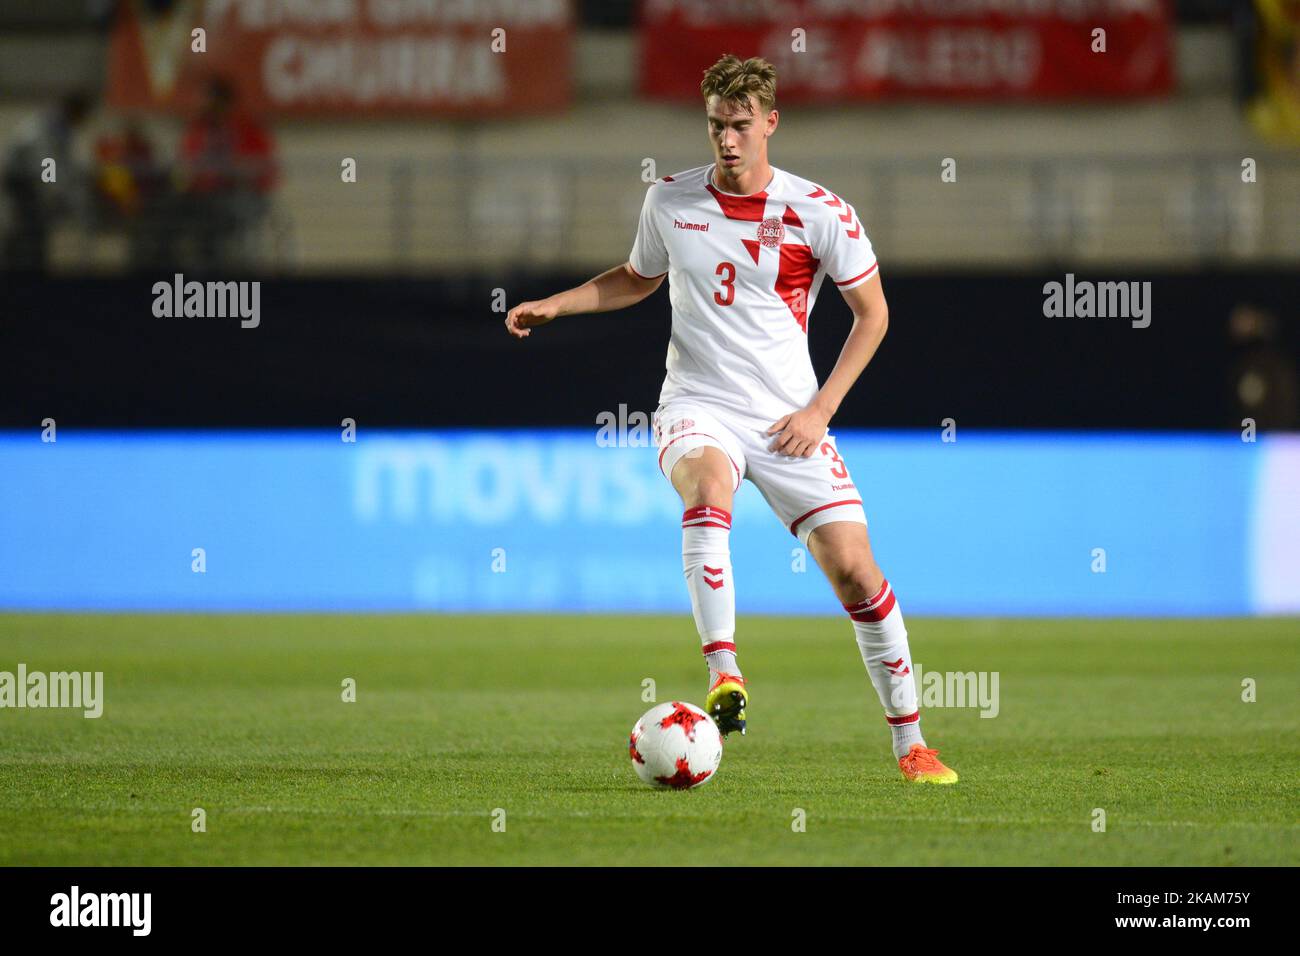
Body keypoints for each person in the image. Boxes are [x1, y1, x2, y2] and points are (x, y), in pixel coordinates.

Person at [505, 54, 957, 784]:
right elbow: (636, 278)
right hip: (697, 403)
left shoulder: (821, 212)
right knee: (707, 489)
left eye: (741, 125)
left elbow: (872, 315)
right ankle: (725, 671)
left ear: (771, 123)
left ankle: (913, 746)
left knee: (854, 572)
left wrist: (821, 409)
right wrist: (556, 304)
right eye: (717, 125)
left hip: (790, 419)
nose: (728, 140)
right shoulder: (670, 201)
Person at [1, 93, 92, 272]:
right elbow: (46, 162)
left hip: (31, 183)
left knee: (34, 232)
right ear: (74, 112)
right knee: (26, 231)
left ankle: (28, 267)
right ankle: (20, 272)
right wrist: (55, 190)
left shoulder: (60, 129)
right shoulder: (45, 129)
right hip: (21, 183)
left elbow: (62, 163)